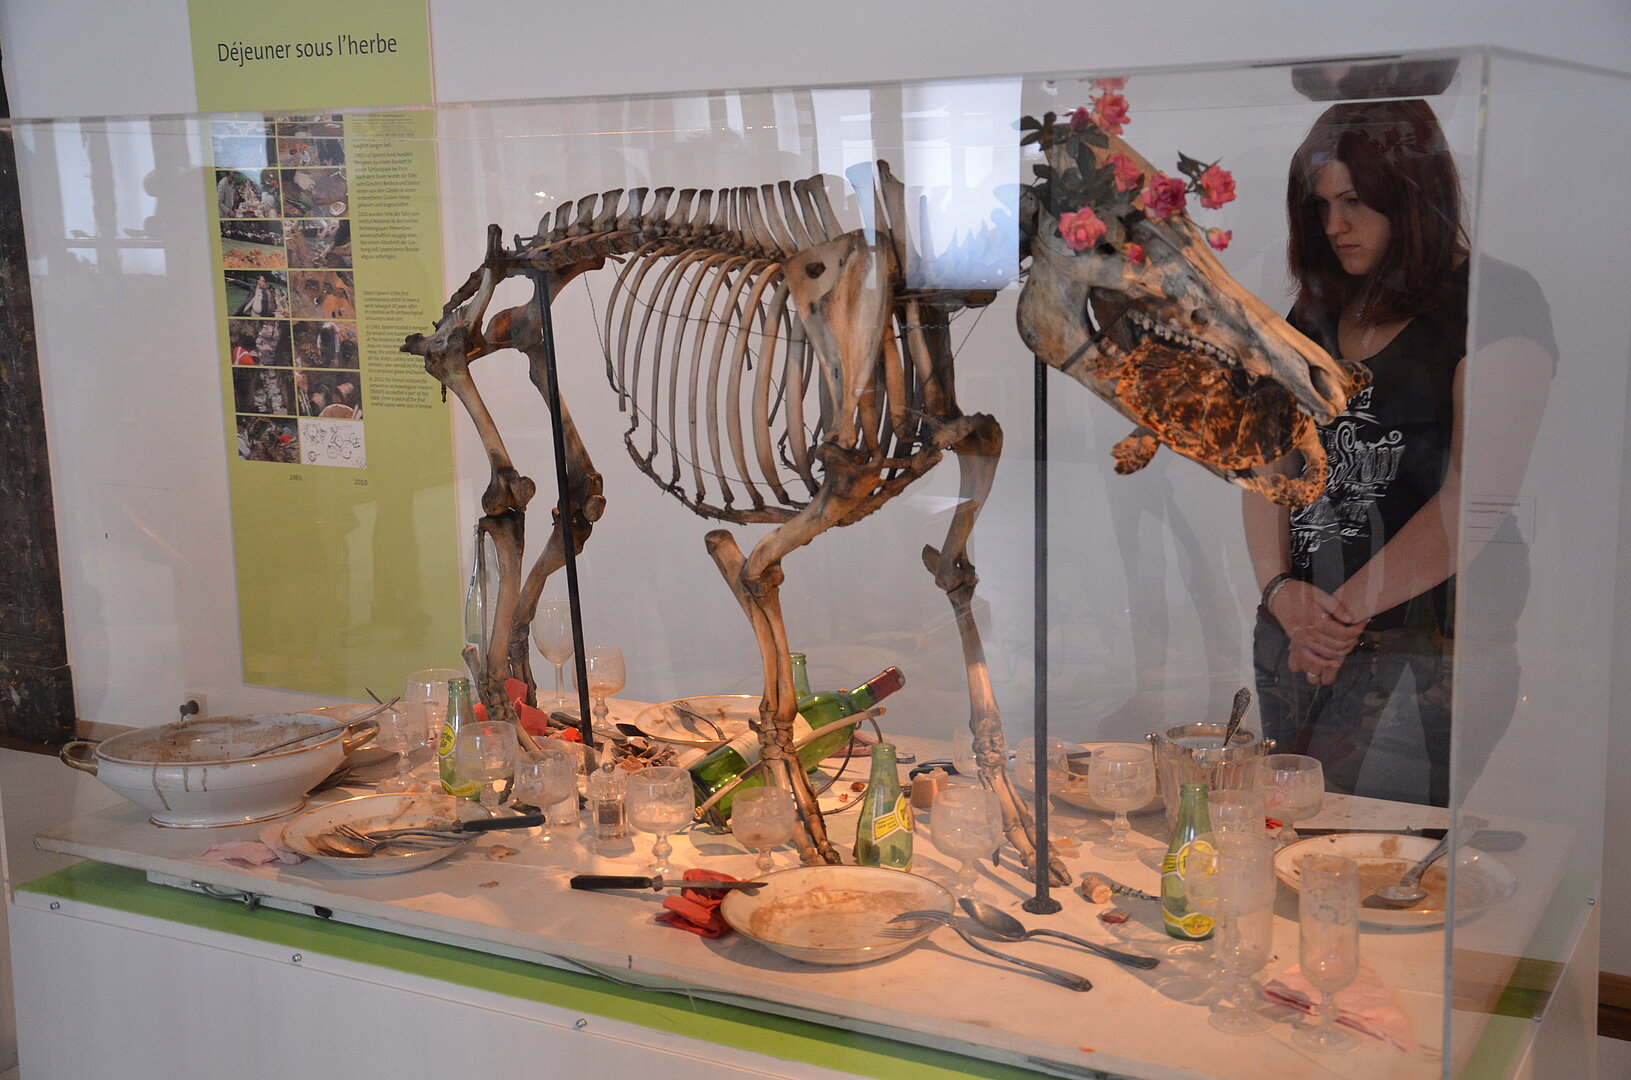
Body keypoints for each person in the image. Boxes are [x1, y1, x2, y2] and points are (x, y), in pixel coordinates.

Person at [1244, 99, 1554, 807]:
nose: (1334, 226)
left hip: (1425, 641)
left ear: (1412, 194)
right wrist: (1279, 591)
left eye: (1354, 201)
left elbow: (1474, 497)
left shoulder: (1496, 302)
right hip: (1299, 629)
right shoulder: (1318, 306)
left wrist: (1334, 619)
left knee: (1387, 846)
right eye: (1320, 205)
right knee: (1294, 831)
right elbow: (1266, 462)